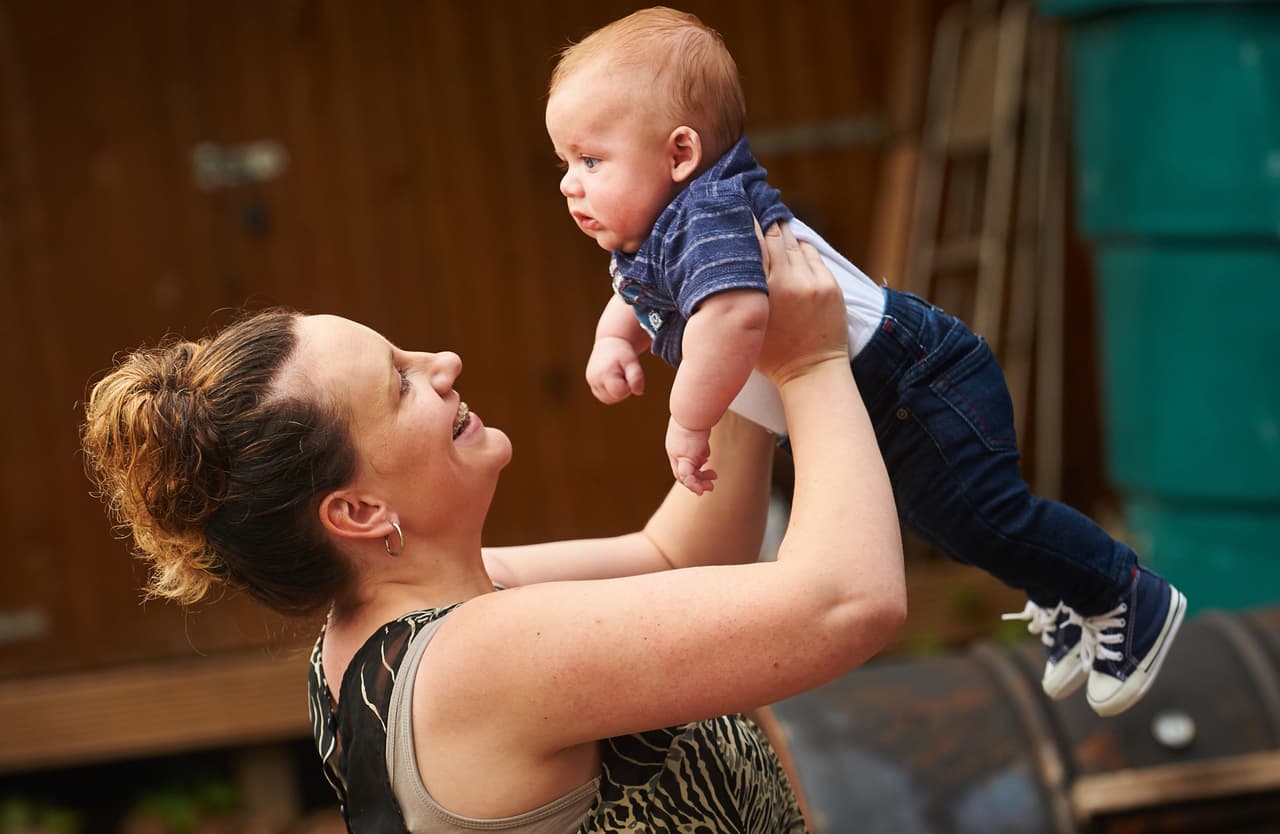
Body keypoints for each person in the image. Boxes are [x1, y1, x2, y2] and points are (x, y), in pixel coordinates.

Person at [80, 223, 906, 833]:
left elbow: (680, 555)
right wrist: (808, 363)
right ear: (359, 512)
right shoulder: (477, 660)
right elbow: (847, 603)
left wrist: (730, 343)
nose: (442, 363)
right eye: (400, 383)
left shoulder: (403, 628)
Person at [544, 5, 1186, 718]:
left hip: (917, 381)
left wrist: (689, 420)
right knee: (947, 525)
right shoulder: (658, 234)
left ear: (680, 154)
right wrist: (615, 340)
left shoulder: (708, 216)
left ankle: (1123, 591)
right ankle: (1066, 588)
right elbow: (636, 294)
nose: (570, 182)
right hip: (883, 401)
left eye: (591, 160)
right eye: (565, 163)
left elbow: (734, 316)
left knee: (985, 517)